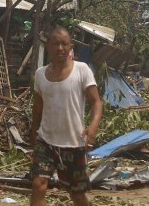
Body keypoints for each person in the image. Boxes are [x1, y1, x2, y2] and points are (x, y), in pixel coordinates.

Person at [30, 26, 103, 206]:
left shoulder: (81, 70)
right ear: (48, 47)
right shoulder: (40, 75)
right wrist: (33, 134)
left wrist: (93, 127)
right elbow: (38, 109)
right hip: (46, 142)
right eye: (55, 44)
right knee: (38, 184)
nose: (59, 48)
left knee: (76, 194)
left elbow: (96, 102)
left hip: (73, 144)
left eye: (64, 44)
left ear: (71, 47)